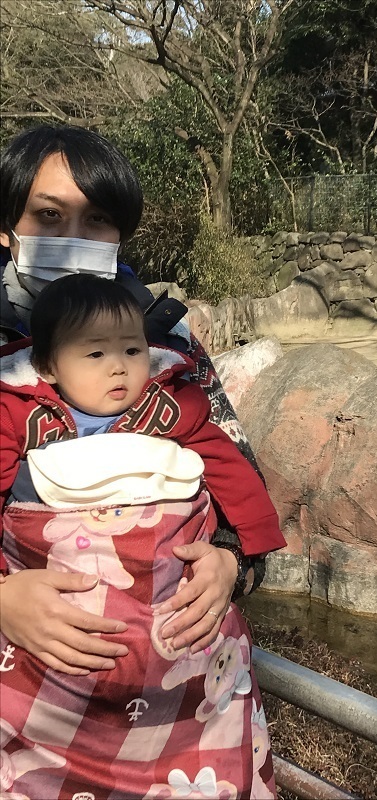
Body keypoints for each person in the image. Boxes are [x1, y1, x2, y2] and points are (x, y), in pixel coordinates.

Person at [0, 273, 285, 796]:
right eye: (94, 354)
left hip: (175, 668)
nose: (118, 365)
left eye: (132, 350)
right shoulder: (14, 407)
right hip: (48, 679)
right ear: (44, 366)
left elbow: (231, 466)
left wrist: (240, 553)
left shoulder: (173, 397)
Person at [0, 124, 266, 675]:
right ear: (7, 228)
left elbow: (240, 478)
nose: (74, 235)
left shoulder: (167, 347)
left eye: (98, 218)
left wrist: (230, 566)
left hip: (159, 665)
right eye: (48, 216)